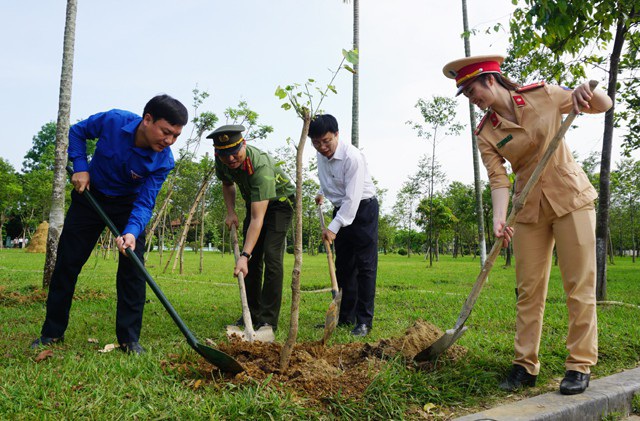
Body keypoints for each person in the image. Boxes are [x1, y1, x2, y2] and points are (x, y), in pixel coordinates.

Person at [443, 55, 612, 395]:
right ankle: (524, 366)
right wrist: (499, 217)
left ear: (490, 79)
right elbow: (498, 180)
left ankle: (579, 364)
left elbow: (603, 105)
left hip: (571, 199)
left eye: (472, 90)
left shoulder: (543, 95)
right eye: (466, 94)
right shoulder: (486, 133)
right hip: (528, 209)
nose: (472, 100)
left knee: (579, 285)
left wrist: (585, 93)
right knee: (528, 290)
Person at [31, 94, 188, 354]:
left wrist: (131, 232)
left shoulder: (164, 160)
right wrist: (80, 166)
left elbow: (145, 202)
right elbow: (77, 132)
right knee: (67, 264)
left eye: (176, 136)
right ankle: (52, 333)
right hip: (90, 196)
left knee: (133, 269)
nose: (169, 141)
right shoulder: (114, 121)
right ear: (147, 119)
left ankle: (129, 339)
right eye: (166, 132)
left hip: (128, 206)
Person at [209, 125, 294, 332]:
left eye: (234, 153)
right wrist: (231, 212)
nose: (230, 159)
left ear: (243, 144)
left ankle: (267, 320)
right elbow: (227, 184)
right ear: (217, 153)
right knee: (252, 261)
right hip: (254, 201)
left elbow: (258, 218)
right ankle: (252, 313)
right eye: (224, 154)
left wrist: (244, 255)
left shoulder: (260, 166)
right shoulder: (222, 161)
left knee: (271, 256)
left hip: (280, 202)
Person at [308, 114, 379, 337]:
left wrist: (332, 228)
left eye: (327, 141)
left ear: (337, 135)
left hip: (363, 209)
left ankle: (364, 321)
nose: (322, 147)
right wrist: (322, 192)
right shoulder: (321, 154)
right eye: (316, 143)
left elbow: (352, 198)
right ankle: (345, 317)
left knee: (365, 267)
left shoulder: (353, 158)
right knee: (344, 266)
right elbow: (328, 178)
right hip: (341, 210)